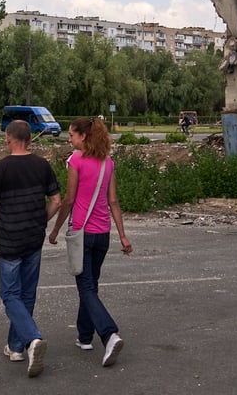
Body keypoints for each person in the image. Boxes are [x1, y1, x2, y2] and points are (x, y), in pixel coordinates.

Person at [0, 119, 61, 378]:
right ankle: (15, 347)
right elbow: (57, 201)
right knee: (27, 294)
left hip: (9, 239)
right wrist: (40, 221)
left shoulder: (0, 169)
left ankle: (31, 338)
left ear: (8, 138)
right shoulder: (42, 165)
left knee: (10, 295)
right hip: (33, 239)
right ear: (29, 138)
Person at [47, 116, 133, 368]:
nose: (69, 138)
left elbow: (69, 199)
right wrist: (123, 235)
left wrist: (55, 229)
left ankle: (109, 334)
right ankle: (85, 337)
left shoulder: (75, 161)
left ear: (83, 136)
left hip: (82, 233)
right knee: (91, 285)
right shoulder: (108, 163)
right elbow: (113, 202)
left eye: (72, 134)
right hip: (103, 234)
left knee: (85, 288)